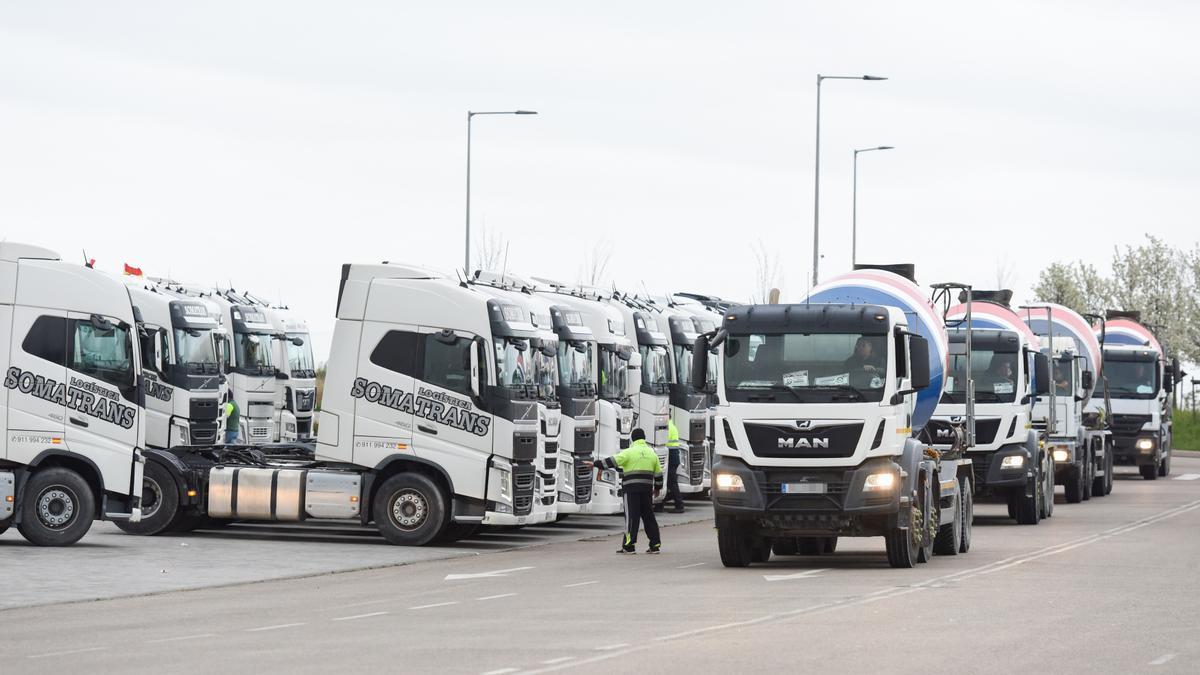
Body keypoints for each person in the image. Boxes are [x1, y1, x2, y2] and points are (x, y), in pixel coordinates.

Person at [598, 427, 664, 554]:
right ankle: (655, 544)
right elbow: (659, 475)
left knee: (632, 517)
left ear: (632, 439)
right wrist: (657, 488)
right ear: (644, 438)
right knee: (649, 516)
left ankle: (629, 546)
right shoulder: (652, 453)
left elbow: (612, 461)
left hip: (631, 490)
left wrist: (596, 464)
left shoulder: (629, 452)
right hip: (646, 490)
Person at [660, 418, 685, 514]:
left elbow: (662, 441)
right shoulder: (672, 426)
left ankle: (679, 505)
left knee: (671, 483)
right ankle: (660, 504)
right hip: (673, 457)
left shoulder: (668, 427)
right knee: (667, 482)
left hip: (670, 457)